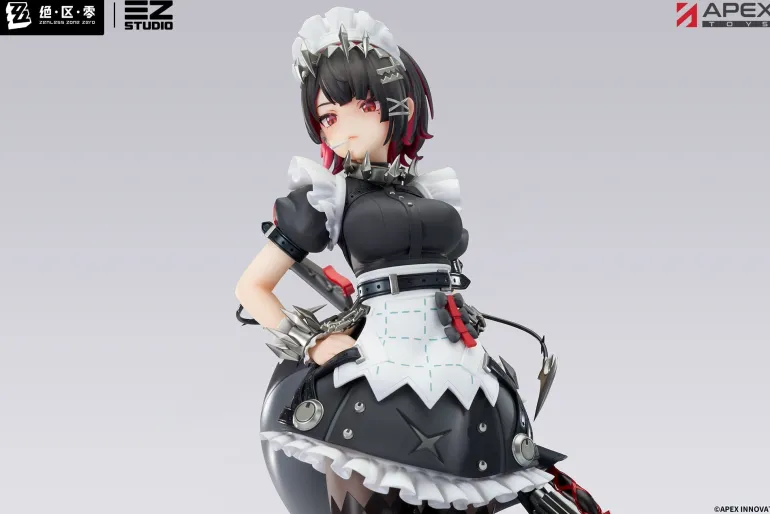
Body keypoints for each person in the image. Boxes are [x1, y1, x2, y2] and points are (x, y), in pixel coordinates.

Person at [235, 7, 610, 514]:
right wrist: (315, 342)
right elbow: (251, 288)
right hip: (377, 364)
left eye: (363, 105)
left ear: (399, 105)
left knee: (486, 478)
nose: (343, 127)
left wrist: (461, 312)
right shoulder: (328, 195)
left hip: (459, 360)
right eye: (328, 117)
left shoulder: (429, 191)